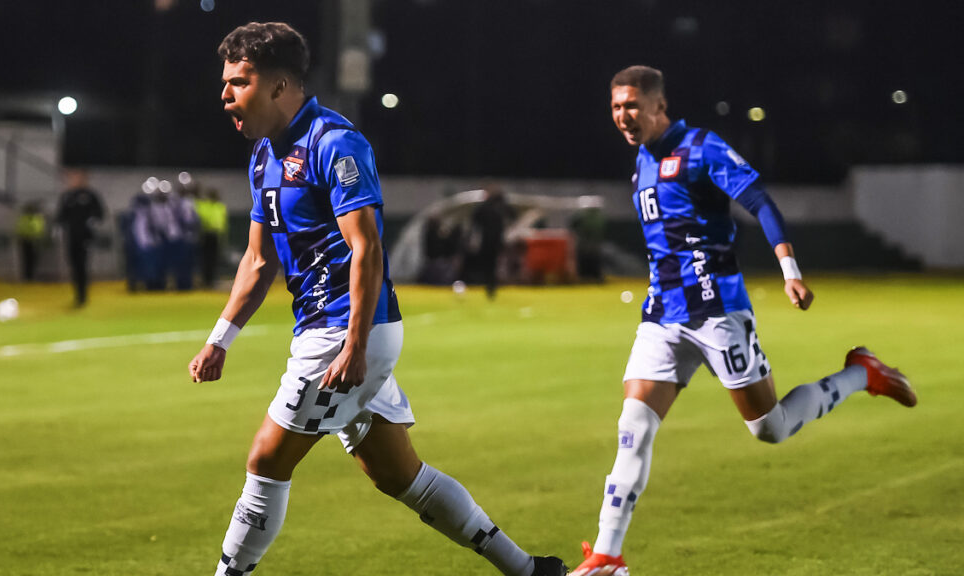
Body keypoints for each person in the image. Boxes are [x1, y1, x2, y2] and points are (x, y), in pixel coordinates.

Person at [187, 22, 566, 576]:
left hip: (346, 331)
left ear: (279, 86)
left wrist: (355, 346)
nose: (225, 96)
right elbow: (258, 260)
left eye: (238, 82)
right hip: (328, 330)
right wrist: (220, 339)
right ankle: (531, 571)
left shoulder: (334, 143)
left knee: (267, 460)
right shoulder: (264, 154)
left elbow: (365, 248)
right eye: (225, 82)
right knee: (398, 475)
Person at [568, 66, 917, 576]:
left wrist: (789, 269)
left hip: (717, 310)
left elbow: (758, 200)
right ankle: (608, 555)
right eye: (616, 107)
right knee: (634, 425)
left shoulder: (702, 147)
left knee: (769, 429)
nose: (623, 117)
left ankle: (862, 372)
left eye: (631, 107)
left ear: (658, 106)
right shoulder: (642, 158)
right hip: (661, 315)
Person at [55, 169, 104, 306]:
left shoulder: (90, 195)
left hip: (85, 236)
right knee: (73, 264)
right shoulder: (66, 196)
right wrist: (58, 228)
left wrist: (92, 221)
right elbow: (61, 215)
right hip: (70, 236)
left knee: (82, 265)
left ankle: (83, 295)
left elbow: (100, 213)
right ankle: (77, 294)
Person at [464, 187, 510, 299]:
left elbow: (474, 222)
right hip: (492, 244)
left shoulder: (484, 209)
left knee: (486, 267)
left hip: (485, 244)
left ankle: (485, 285)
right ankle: (490, 287)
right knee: (491, 267)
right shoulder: (497, 211)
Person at [195, 188, 228, 288]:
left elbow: (223, 222)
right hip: (206, 234)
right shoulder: (205, 205)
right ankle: (206, 280)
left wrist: (223, 235)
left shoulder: (220, 206)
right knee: (206, 259)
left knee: (214, 259)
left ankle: (211, 279)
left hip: (216, 235)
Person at [14, 201, 46, 281]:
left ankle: (31, 276)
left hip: (34, 241)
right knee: (27, 259)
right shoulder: (25, 218)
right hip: (26, 241)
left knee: (34, 260)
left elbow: (40, 229)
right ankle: (27, 276)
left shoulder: (37, 218)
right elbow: (20, 229)